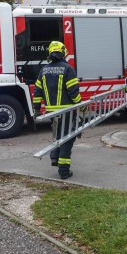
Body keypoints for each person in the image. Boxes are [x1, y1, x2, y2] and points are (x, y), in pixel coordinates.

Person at [32, 41, 82, 179]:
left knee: (56, 136)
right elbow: (73, 92)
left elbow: (37, 92)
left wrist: (36, 109)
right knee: (67, 138)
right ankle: (64, 171)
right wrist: (81, 106)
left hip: (52, 112)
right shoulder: (67, 69)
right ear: (62, 52)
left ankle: (54, 157)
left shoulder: (44, 70)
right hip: (66, 111)